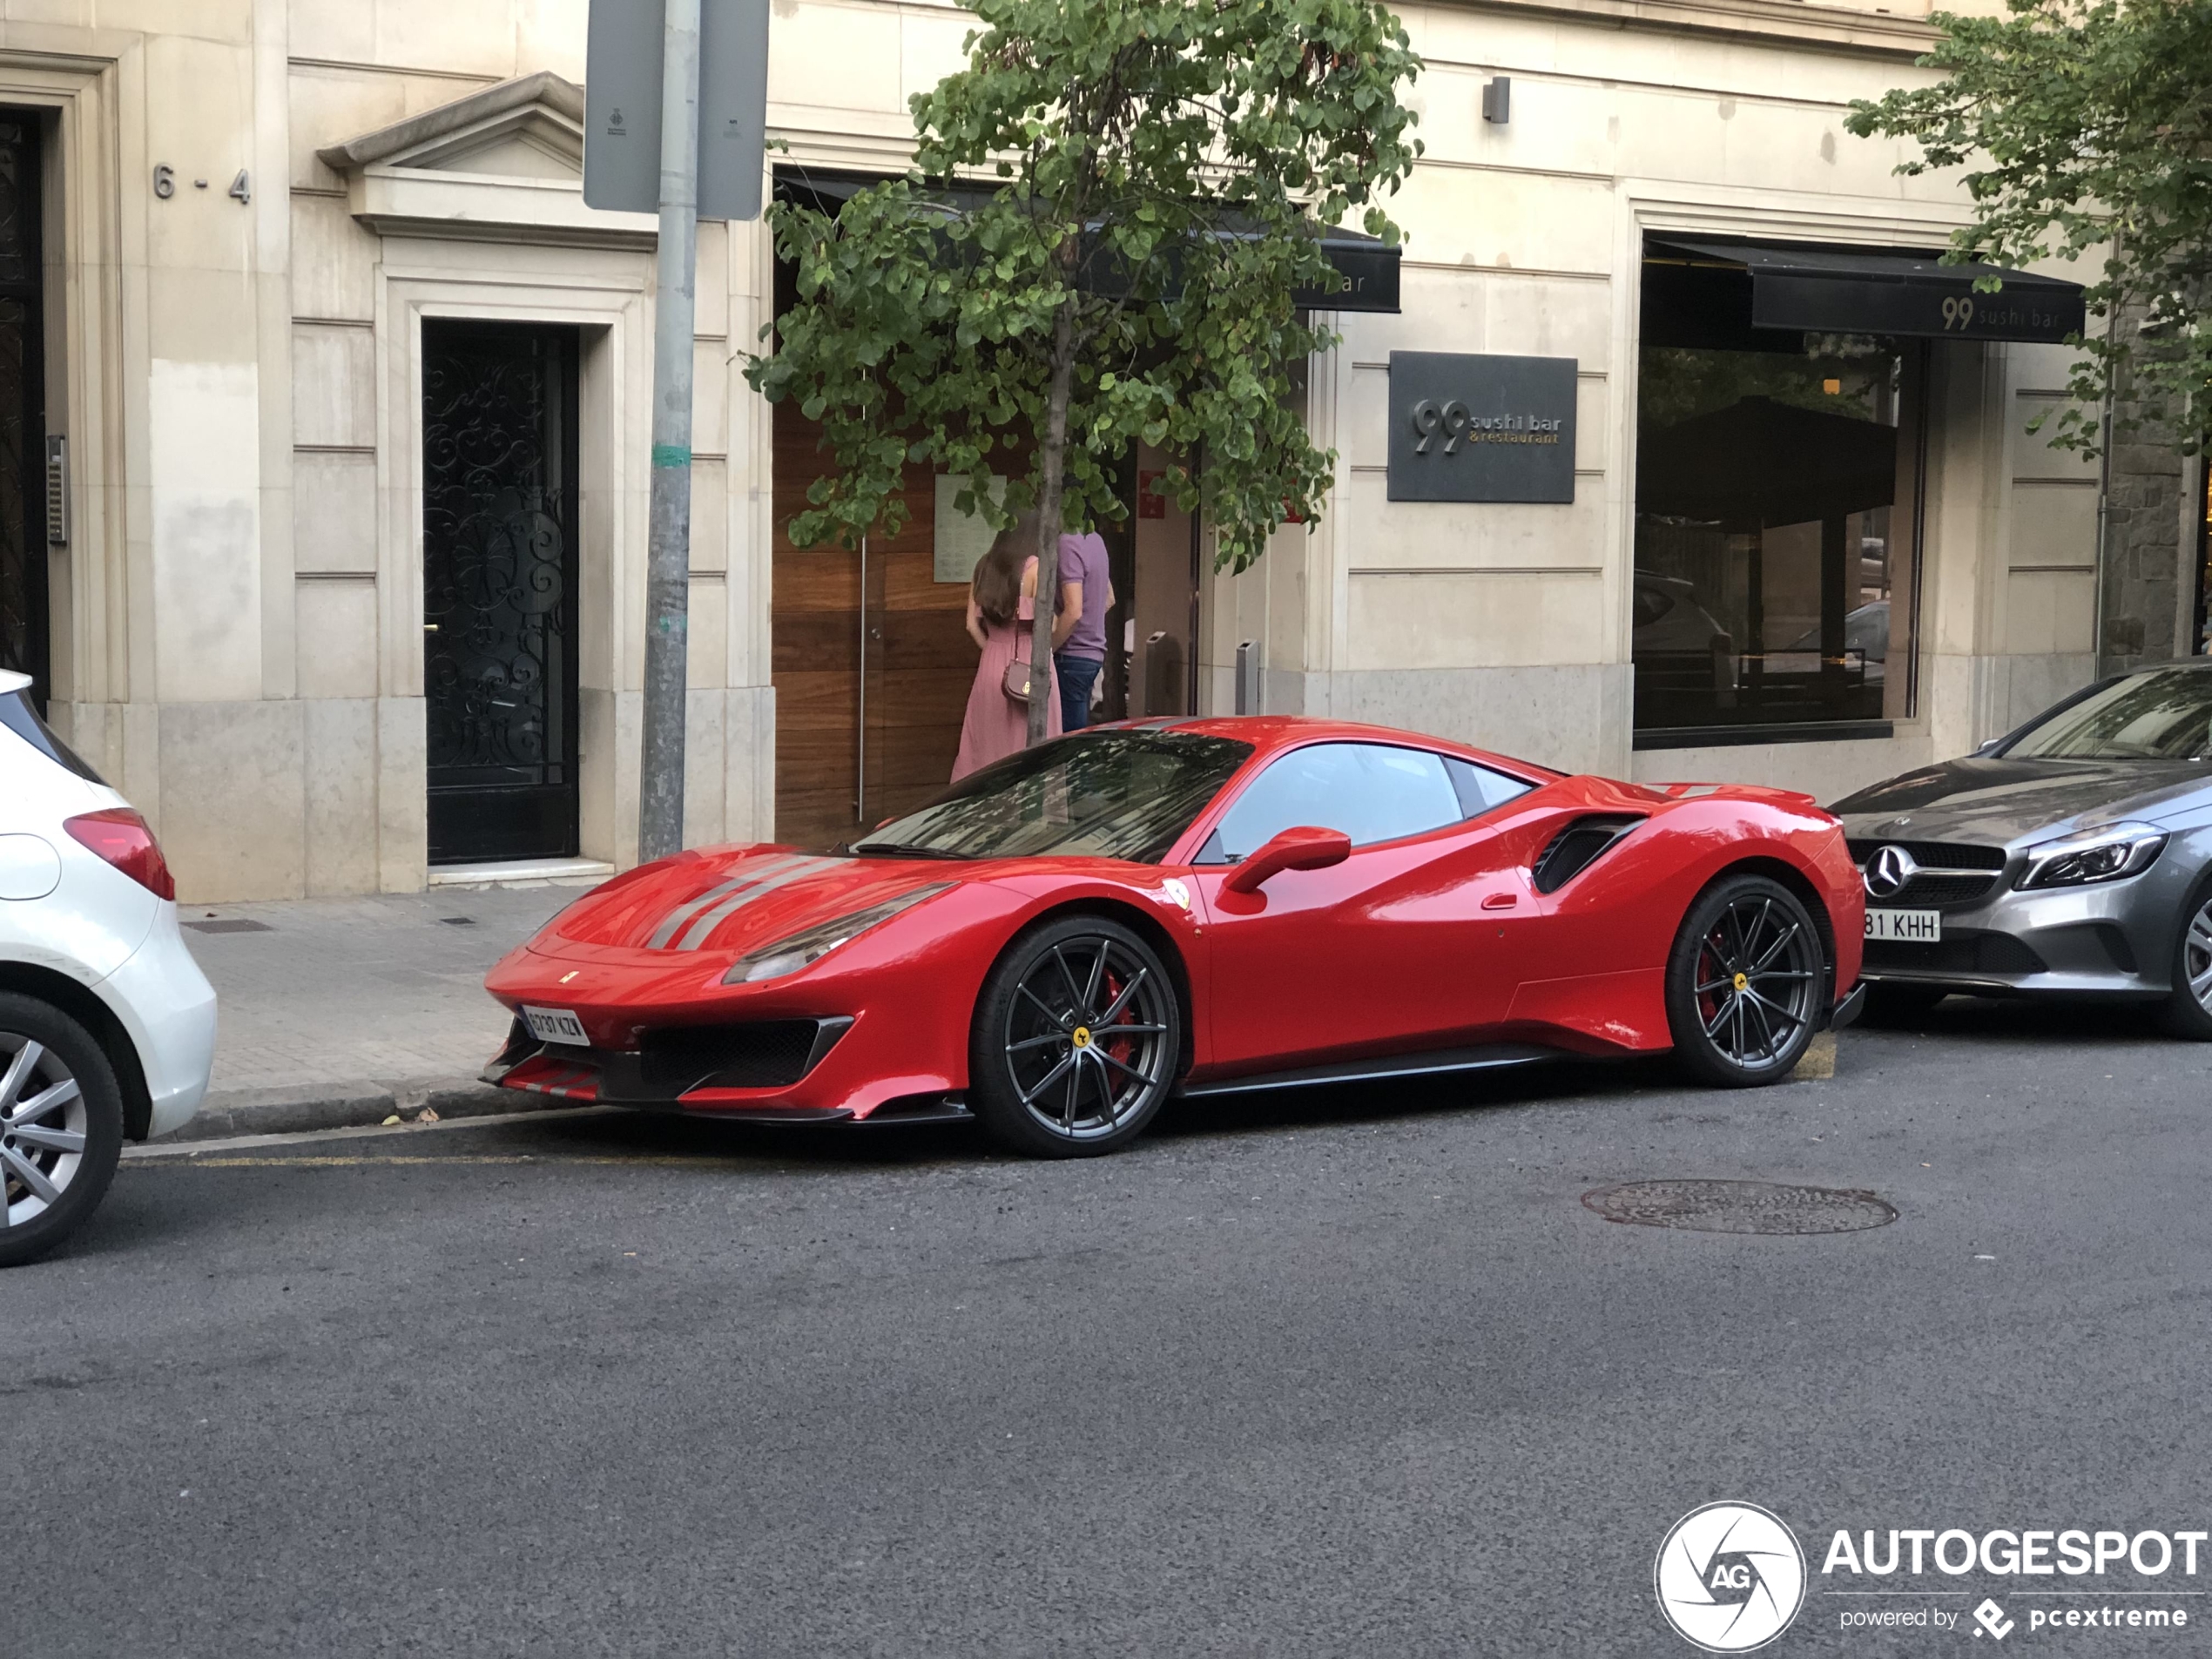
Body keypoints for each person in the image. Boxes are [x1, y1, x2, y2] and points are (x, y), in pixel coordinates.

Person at [953, 520, 1062, 781]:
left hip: (991, 662)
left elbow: (971, 625)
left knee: (983, 746)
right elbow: (1050, 624)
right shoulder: (1037, 568)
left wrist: (993, 649)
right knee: (1033, 744)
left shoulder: (984, 565)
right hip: (1028, 663)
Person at [1053, 528, 1112, 731]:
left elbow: (1074, 612)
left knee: (1065, 741)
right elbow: (1109, 599)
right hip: (1092, 655)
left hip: (1070, 654)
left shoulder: (1066, 543)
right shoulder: (1096, 540)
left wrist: (1047, 649)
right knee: (1076, 732)